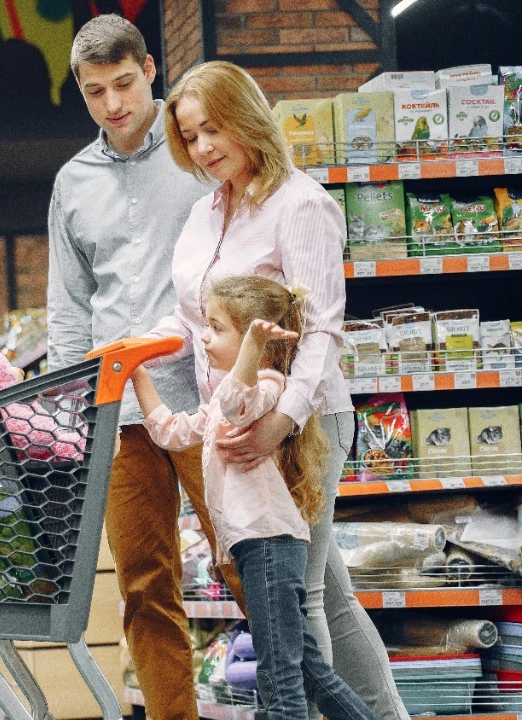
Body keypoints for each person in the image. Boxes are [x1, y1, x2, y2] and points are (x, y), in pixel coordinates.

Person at [147, 60, 409, 720]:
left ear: (246, 117)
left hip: (302, 423)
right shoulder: (206, 213)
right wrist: (136, 350)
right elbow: (187, 317)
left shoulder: (300, 204)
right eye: (190, 136)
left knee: (302, 602)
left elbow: (322, 330)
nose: (204, 147)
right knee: (327, 594)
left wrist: (284, 420)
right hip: (237, 425)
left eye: (213, 128)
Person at [46, 15, 230, 720]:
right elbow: (68, 306)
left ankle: (286, 703)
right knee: (146, 586)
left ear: (150, 69)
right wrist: (70, 423)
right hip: (119, 411)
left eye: (123, 83)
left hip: (211, 398)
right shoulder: (73, 181)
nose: (113, 104)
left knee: (246, 561)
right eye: (95, 92)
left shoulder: (195, 151)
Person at [131, 276, 377, 720]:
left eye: (217, 327)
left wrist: (250, 351)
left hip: (270, 546)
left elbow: (237, 406)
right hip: (257, 547)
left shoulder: (268, 384)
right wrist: (138, 373)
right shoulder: (225, 394)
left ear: (253, 340)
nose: (204, 337)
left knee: (280, 680)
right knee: (310, 672)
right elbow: (172, 431)